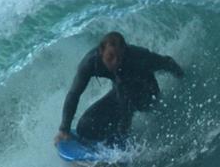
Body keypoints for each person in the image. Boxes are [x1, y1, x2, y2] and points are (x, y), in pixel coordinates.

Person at [54, 31, 184, 145]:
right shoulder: (90, 63)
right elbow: (74, 94)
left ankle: (125, 142)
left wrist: (182, 78)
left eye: (120, 57)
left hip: (147, 92)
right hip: (121, 93)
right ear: (101, 51)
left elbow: (167, 62)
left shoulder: (138, 56)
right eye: (110, 57)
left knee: (126, 98)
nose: (116, 62)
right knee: (85, 127)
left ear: (125, 51)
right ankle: (113, 138)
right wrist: (64, 129)